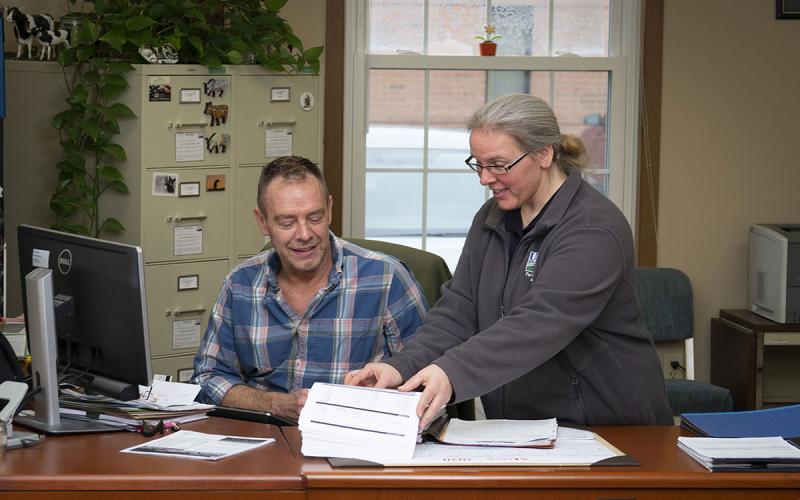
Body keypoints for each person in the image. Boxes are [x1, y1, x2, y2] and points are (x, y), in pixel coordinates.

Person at [346, 94, 673, 428]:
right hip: (527, 427)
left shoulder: (593, 229)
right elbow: (460, 310)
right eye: (479, 164)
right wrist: (401, 366)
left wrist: (451, 371)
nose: (485, 178)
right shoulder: (493, 217)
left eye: (499, 165)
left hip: (608, 426)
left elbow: (538, 323)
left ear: (544, 153)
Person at [193, 156, 428, 420]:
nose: (304, 234)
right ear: (262, 222)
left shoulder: (386, 278)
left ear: (329, 209)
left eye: (314, 217)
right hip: (265, 440)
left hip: (356, 439)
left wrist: (358, 404)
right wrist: (275, 404)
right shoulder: (240, 284)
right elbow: (207, 379)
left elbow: (426, 378)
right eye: (286, 222)